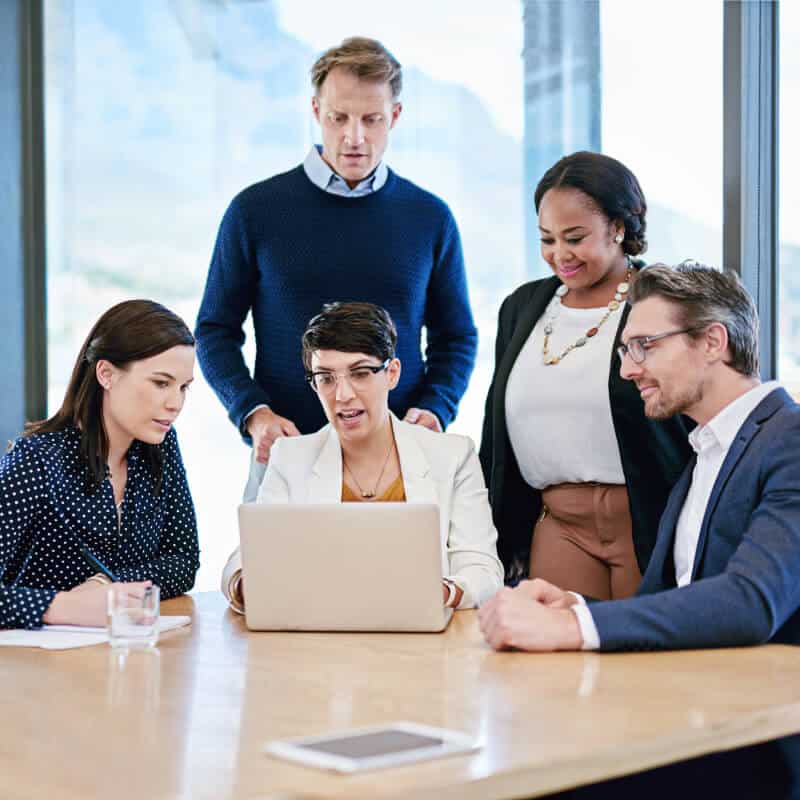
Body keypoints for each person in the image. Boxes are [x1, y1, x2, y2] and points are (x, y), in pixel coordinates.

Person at [479, 262, 800, 799]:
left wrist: (574, 628)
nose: (628, 370)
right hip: (692, 721)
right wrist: (572, 605)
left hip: (758, 748)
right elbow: (669, 601)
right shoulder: (703, 456)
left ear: (712, 342)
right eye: (626, 350)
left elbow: (751, 600)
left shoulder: (788, 439)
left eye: (644, 346)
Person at [196, 36, 478, 502]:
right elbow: (213, 330)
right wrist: (253, 413)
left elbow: (457, 337)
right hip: (287, 457)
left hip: (401, 463)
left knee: (405, 577)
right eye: (339, 117)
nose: (354, 137)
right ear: (314, 110)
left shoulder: (430, 217)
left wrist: (435, 409)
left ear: (396, 117)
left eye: (372, 119)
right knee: (271, 576)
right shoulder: (255, 211)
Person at [480, 151, 691, 599]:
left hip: (646, 519)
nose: (560, 255)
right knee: (555, 660)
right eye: (547, 239)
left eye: (574, 237)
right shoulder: (521, 308)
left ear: (618, 227)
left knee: (650, 662)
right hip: (559, 524)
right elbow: (495, 436)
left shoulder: (663, 301)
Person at [221, 302, 502, 613]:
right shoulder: (290, 458)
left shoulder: (452, 456)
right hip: (322, 642)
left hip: (422, 640)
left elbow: (484, 569)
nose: (342, 395)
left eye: (360, 373)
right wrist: (251, 584)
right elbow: (244, 561)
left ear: (392, 373)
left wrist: (441, 593)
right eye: (326, 378)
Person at [0, 300, 200, 629]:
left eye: (183, 387)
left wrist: (106, 585)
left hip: (122, 655)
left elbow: (182, 562)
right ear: (106, 374)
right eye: (161, 383)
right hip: (36, 665)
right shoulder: (35, 459)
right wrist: (61, 606)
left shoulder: (161, 446)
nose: (175, 403)